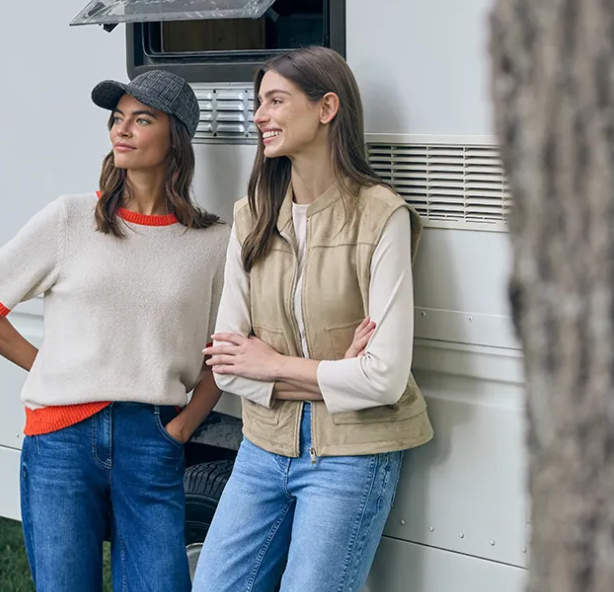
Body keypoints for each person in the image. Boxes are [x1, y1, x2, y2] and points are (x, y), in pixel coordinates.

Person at [0, 70, 228, 592]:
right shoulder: (71, 219)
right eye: (117, 119)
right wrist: (49, 367)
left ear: (177, 139)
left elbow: (224, 348)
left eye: (141, 120)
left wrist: (186, 425)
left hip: (154, 434)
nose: (121, 130)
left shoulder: (212, 241)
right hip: (60, 438)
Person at [192, 46, 433, 592]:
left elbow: (385, 378)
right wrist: (331, 376)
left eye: (276, 101)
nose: (259, 116)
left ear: (327, 108)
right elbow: (229, 368)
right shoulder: (251, 215)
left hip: (351, 454)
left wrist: (273, 363)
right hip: (262, 447)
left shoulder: (380, 215)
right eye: (259, 103)